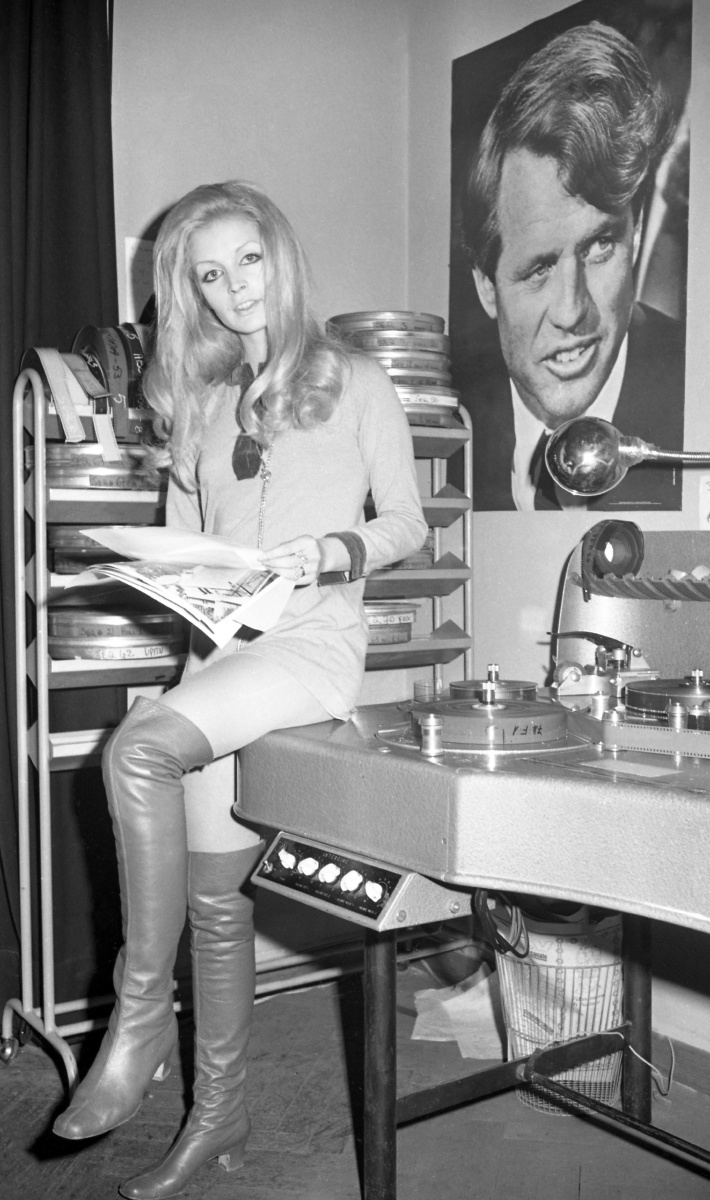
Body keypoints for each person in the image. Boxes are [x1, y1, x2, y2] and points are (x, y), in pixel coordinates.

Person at [52, 180, 427, 1197]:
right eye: (209, 275)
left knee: (134, 748)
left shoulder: (356, 379)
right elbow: (191, 554)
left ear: (280, 256)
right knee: (216, 903)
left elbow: (407, 521)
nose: (234, 288)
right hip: (222, 659)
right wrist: (176, 604)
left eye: (247, 261)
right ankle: (218, 1115)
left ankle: (136, 1019)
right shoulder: (202, 404)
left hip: (309, 647)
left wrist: (330, 551)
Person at [458, 20, 685, 512]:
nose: (571, 311)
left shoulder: (689, 389)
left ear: (636, 235)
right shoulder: (450, 424)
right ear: (486, 286)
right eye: (538, 269)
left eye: (600, 246)